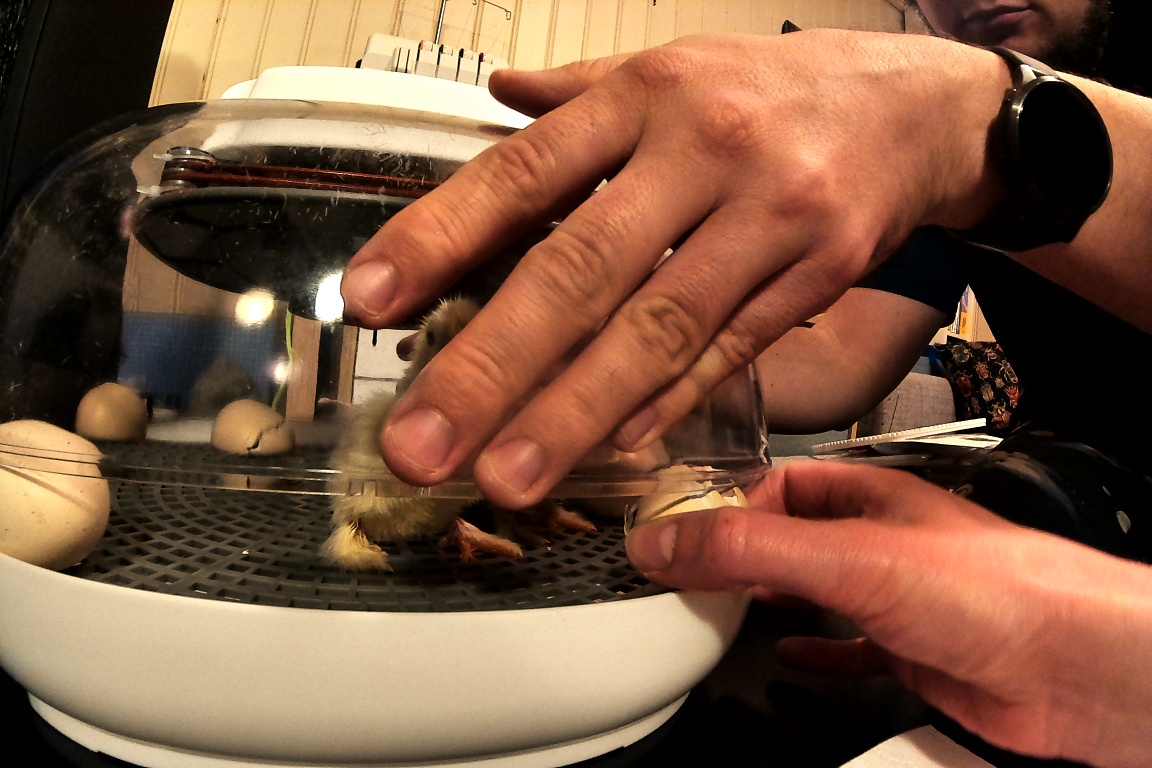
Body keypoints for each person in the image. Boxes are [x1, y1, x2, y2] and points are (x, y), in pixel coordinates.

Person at [339, 8, 1152, 765]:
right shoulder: (945, 181)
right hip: (1070, 536)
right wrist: (596, 356)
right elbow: (840, 355)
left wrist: (976, 122)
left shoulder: (976, 103)